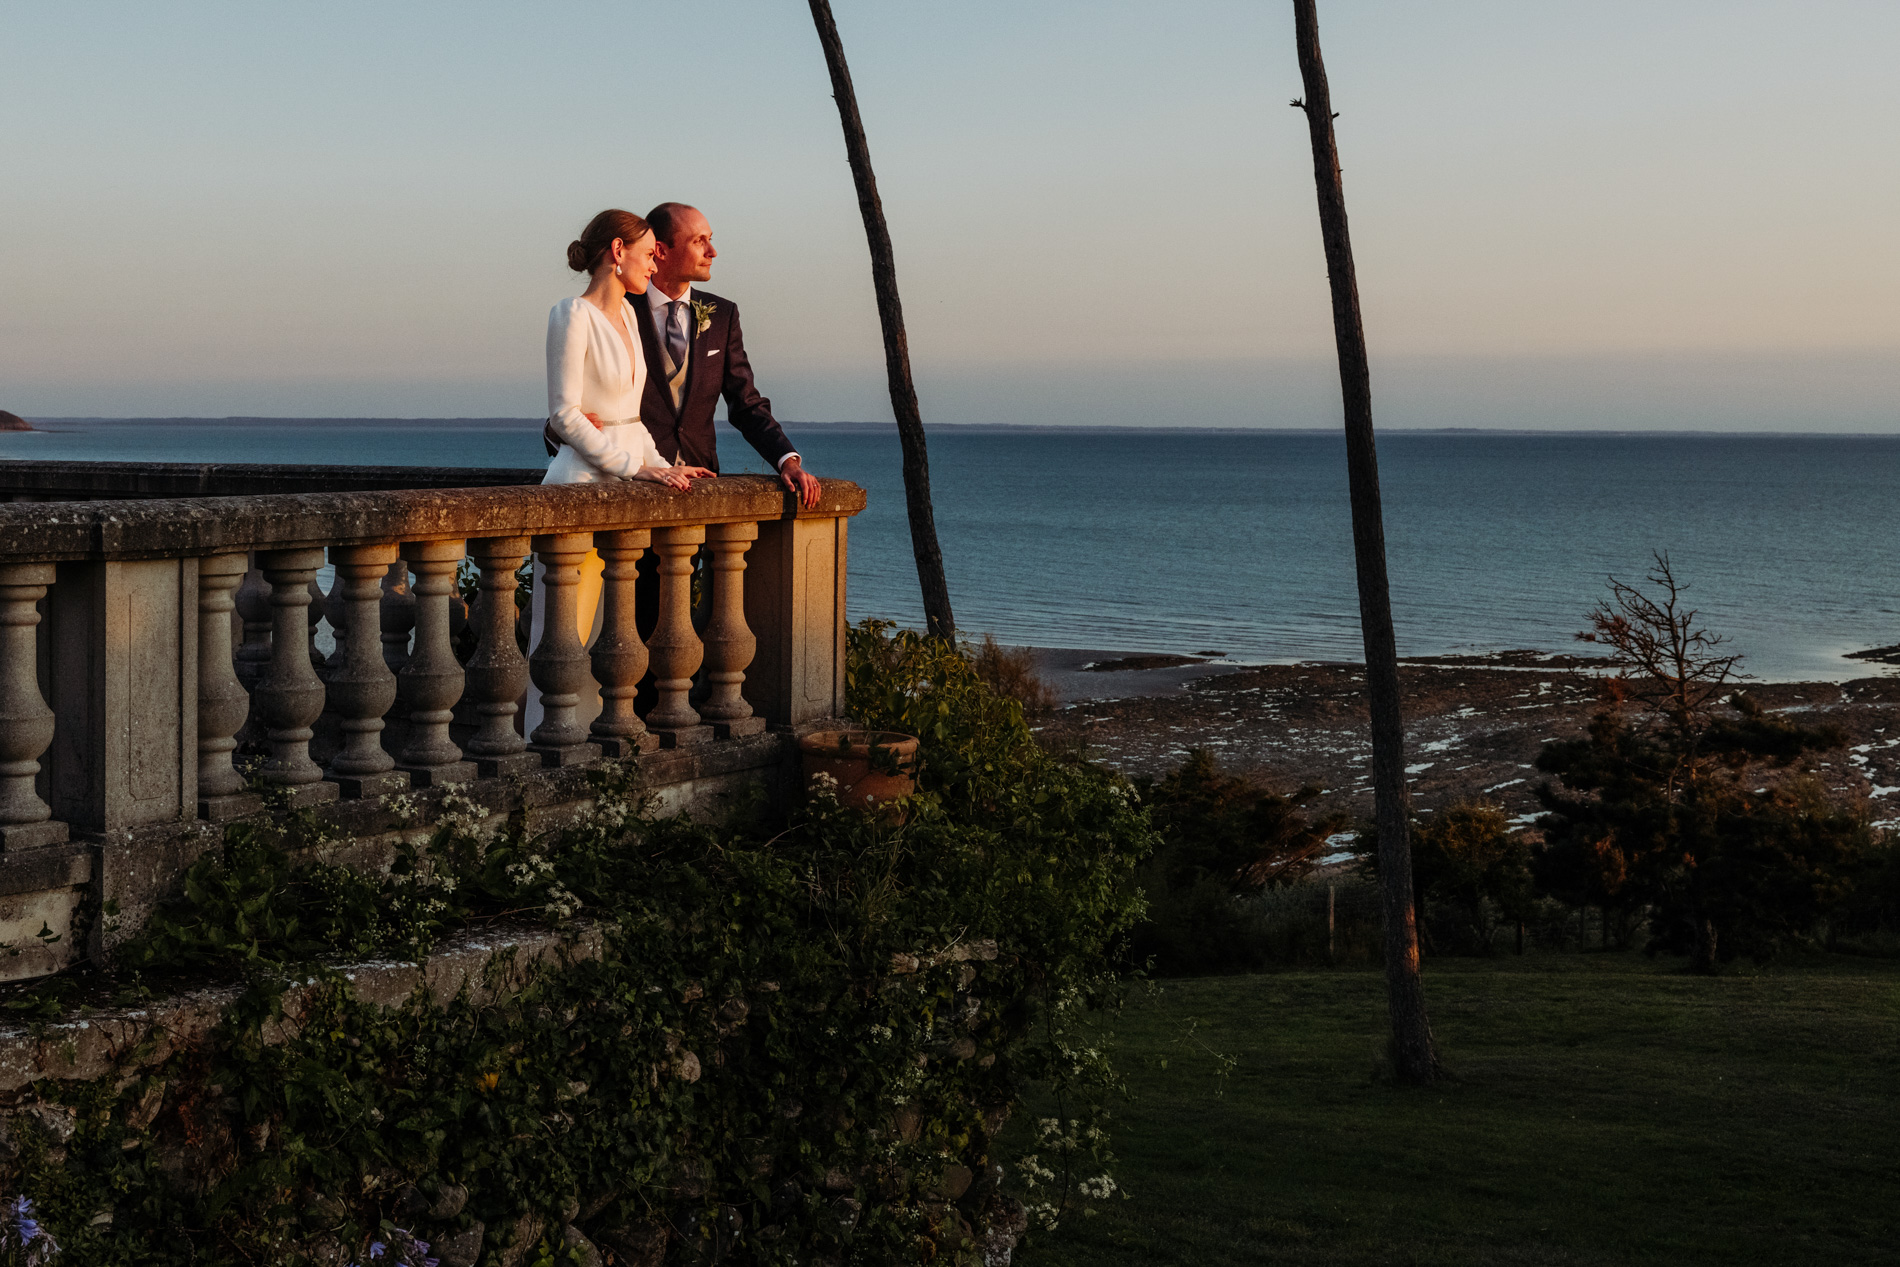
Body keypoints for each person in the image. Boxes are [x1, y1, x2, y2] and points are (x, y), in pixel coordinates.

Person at [528, 209, 713, 735]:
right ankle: (545, 752)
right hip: (579, 491)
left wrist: (663, 466)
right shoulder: (571, 314)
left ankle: (594, 758)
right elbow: (565, 414)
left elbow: (630, 418)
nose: (657, 263)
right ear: (617, 251)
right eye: (650, 251)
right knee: (564, 637)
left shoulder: (631, 318)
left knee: (609, 642)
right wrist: (637, 469)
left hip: (622, 496)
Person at [635, 202, 821, 509]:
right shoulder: (621, 309)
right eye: (699, 241)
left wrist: (787, 460)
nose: (712, 252)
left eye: (710, 239)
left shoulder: (722, 315)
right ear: (660, 250)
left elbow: (745, 402)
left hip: (698, 488)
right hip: (633, 485)